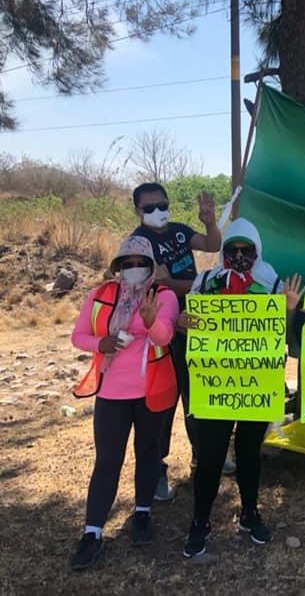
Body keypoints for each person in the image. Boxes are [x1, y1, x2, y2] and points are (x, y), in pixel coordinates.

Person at [180, 218, 300, 558]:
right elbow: (192, 329)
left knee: (249, 454)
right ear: (223, 252)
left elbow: (285, 338)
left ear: (257, 250)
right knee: (211, 457)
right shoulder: (205, 282)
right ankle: (200, 521)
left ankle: (249, 512)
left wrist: (289, 310)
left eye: (246, 250)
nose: (239, 255)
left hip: (255, 386)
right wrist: (183, 323)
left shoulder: (272, 281)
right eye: (231, 249)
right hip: (217, 386)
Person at [69, 236, 180, 570]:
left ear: (150, 266)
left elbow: (165, 336)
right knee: (107, 460)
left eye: (140, 263)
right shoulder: (100, 295)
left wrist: (149, 320)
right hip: (111, 394)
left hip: (152, 390)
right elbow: (78, 336)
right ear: (117, 267)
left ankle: (142, 514)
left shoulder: (163, 296)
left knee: (148, 453)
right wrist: (100, 343)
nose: (133, 270)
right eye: (126, 264)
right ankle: (92, 532)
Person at [130, 181, 225, 501]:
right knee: (162, 400)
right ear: (137, 211)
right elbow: (164, 287)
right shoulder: (137, 244)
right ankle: (157, 469)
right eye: (150, 208)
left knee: (197, 390)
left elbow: (212, 246)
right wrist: (200, 284)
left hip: (194, 325)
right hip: (158, 330)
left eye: (162, 205)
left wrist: (210, 221)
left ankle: (203, 455)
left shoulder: (180, 231)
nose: (158, 212)